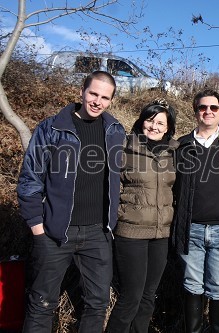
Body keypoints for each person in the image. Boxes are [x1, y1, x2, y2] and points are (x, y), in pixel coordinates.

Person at [17, 71, 125, 333]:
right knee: (42, 303)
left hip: (98, 234)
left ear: (111, 100)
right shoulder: (52, 128)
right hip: (55, 233)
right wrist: (38, 228)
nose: (98, 101)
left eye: (105, 97)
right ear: (82, 91)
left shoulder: (114, 130)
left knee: (97, 304)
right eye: (93, 93)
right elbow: (30, 179)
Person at [172, 89, 219, 333]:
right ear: (196, 112)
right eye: (203, 107)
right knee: (192, 284)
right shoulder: (181, 145)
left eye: (214, 108)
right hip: (191, 228)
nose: (208, 112)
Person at [106, 100, 179, 332]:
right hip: (131, 231)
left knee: (148, 296)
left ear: (168, 127)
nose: (154, 126)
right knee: (131, 297)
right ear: (142, 121)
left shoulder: (174, 153)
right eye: (150, 120)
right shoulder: (125, 147)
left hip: (161, 234)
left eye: (160, 122)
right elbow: (106, 185)